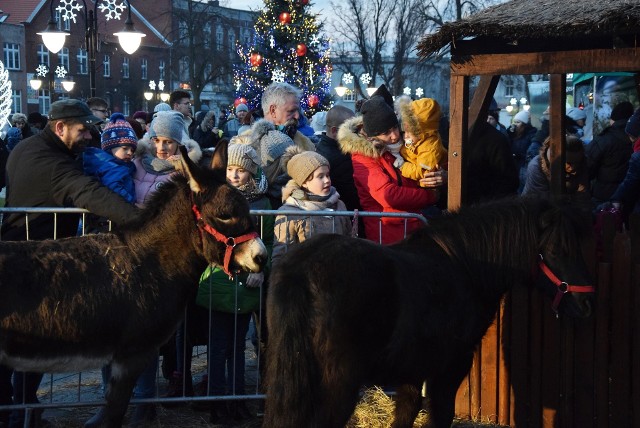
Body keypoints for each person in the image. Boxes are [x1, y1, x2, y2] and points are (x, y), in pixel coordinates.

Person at [1, 99, 139, 428]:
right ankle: (17, 413)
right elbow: (90, 194)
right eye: (83, 130)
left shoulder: (26, 147)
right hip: (35, 266)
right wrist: (144, 221)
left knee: (16, 347)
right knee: (29, 345)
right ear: (60, 127)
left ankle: (21, 410)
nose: (89, 136)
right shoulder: (55, 165)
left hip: (15, 257)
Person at [85, 110, 202, 428]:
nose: (162, 147)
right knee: (110, 332)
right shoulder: (133, 163)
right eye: (158, 140)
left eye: (169, 142)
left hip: (153, 264)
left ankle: (144, 401)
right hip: (120, 256)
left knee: (144, 337)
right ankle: (110, 402)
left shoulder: (183, 175)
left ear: (179, 144)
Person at [195, 143, 273, 424]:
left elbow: (268, 243)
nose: (235, 175)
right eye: (230, 169)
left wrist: (262, 269)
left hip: (245, 285)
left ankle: (237, 398)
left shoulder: (261, 204)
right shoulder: (216, 201)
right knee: (218, 347)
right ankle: (216, 400)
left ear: (251, 173)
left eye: (241, 170)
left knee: (238, 347)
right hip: (221, 283)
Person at [337, 91, 441, 244]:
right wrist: (430, 196)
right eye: (386, 133)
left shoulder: (400, 145)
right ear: (372, 135)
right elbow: (389, 195)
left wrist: (440, 176)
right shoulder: (362, 156)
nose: (394, 136)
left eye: (394, 128)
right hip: (388, 234)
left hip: (412, 227)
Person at [271, 146, 351, 267]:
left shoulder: (339, 204)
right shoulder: (289, 212)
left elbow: (349, 239)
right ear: (304, 182)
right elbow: (281, 254)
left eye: (328, 175)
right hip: (306, 277)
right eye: (320, 176)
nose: (327, 180)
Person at [521, 135, 591, 213]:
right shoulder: (536, 166)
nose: (573, 168)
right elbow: (540, 200)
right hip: (535, 212)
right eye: (569, 163)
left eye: (577, 162)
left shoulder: (582, 163)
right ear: (557, 158)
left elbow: (583, 197)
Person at [585, 101, 635, 208]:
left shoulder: (603, 140)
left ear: (613, 119)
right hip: (632, 197)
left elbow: (586, 170)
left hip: (604, 198)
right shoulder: (635, 138)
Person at [83, 112, 138, 205]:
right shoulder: (112, 167)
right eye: (124, 148)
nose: (129, 153)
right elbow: (114, 187)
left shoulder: (119, 165)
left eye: (132, 150)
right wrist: (132, 203)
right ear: (109, 148)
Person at [315, 105, 360, 214]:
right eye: (351, 130)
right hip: (347, 214)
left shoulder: (321, 146)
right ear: (334, 131)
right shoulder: (340, 158)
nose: (356, 134)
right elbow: (353, 194)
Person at [396, 97, 448, 183]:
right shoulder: (417, 140)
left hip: (427, 187)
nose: (406, 136)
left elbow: (423, 172)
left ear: (421, 132)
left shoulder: (430, 148)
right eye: (405, 131)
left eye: (410, 132)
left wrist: (402, 166)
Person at [507, 110, 537, 193]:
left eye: (518, 122)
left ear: (525, 124)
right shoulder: (513, 134)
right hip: (514, 167)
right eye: (514, 122)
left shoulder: (532, 135)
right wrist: (508, 134)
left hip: (523, 168)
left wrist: (519, 155)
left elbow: (531, 153)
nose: (515, 125)